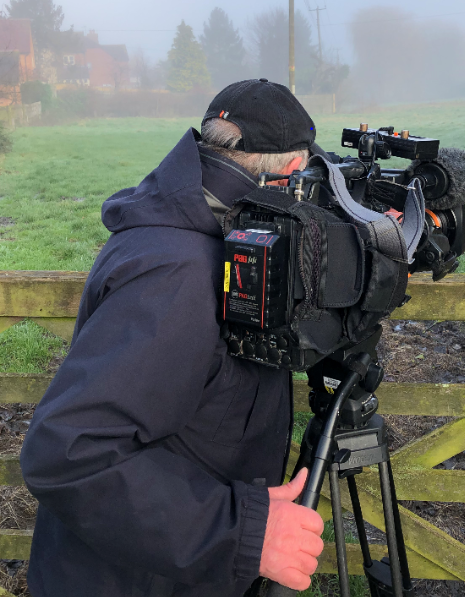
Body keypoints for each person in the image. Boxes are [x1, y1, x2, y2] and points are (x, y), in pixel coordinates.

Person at [20, 79, 324, 597]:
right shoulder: (178, 271)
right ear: (291, 172)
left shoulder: (201, 226)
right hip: (128, 582)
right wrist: (243, 532)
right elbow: (69, 451)